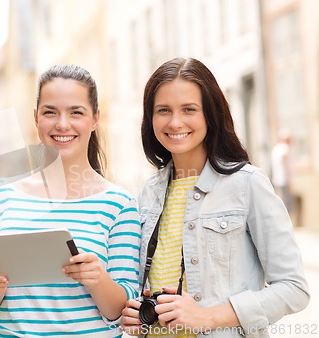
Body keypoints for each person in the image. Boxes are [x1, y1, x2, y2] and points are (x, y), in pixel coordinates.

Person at [120, 57, 309, 338]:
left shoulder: (247, 184)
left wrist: (206, 316)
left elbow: (294, 289)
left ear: (210, 113)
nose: (175, 121)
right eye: (163, 110)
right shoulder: (148, 193)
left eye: (189, 109)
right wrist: (135, 314)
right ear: (150, 118)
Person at [0, 64, 142, 337]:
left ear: (95, 118)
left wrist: (97, 279)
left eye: (76, 112)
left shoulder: (119, 204)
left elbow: (123, 310)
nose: (63, 124)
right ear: (36, 118)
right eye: (50, 112)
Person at [270, 129, 293, 212]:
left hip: (277, 179)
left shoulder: (276, 149)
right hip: (284, 180)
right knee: (286, 202)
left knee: (280, 201)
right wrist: (289, 181)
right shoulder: (284, 149)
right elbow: (285, 166)